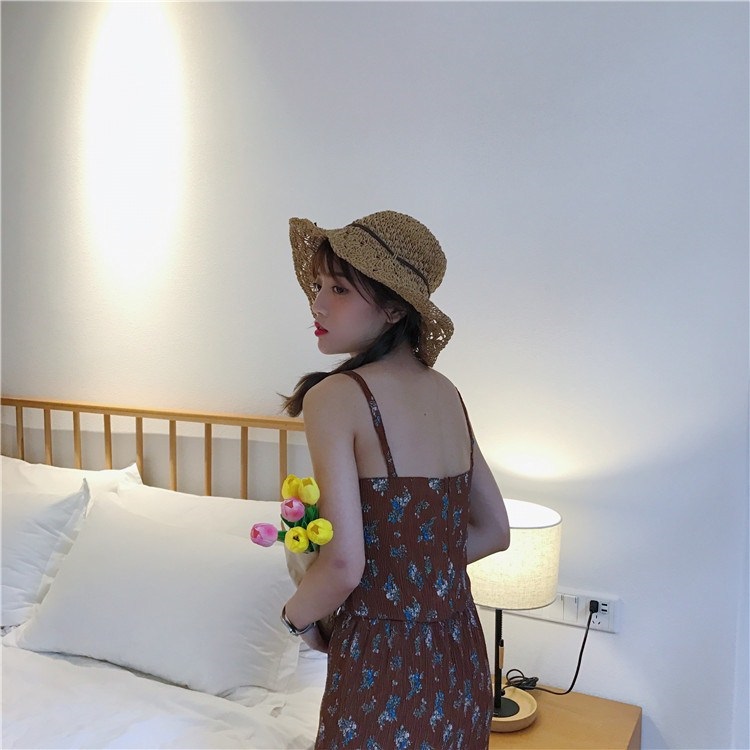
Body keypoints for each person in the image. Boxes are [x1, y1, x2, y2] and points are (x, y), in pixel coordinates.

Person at [281, 210, 510, 749]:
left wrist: (296, 619)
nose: (317, 303)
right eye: (318, 285)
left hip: (381, 664)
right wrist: (416, 579)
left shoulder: (336, 398)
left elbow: (344, 565)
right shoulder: (446, 392)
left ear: (393, 307)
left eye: (339, 289)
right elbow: (496, 531)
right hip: (459, 656)